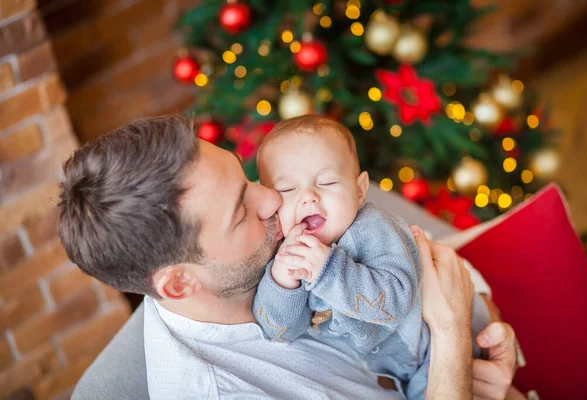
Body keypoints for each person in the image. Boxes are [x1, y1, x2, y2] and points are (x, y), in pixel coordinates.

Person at [58, 115, 517, 399]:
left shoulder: (298, 219)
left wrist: (480, 327)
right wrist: (452, 339)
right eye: (242, 210)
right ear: (179, 284)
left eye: (249, 179)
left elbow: (421, 258)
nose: (276, 200)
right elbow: (443, 309)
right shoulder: (227, 392)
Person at [251, 115, 490, 398]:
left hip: (434, 348)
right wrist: (282, 282)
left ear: (360, 190)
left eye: (327, 182)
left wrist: (326, 271)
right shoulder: (287, 248)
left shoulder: (374, 228)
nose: (308, 197)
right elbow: (279, 332)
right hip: (390, 370)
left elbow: (395, 301)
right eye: (287, 189)